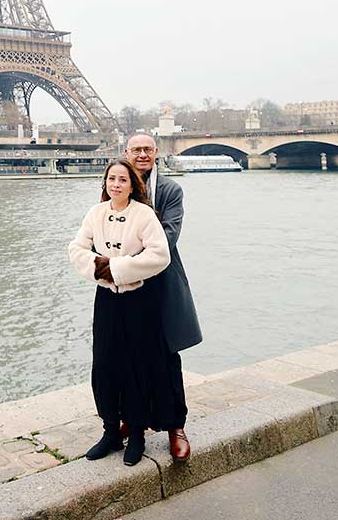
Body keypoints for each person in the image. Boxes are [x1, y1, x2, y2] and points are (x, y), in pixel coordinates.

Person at [68, 158, 173, 466]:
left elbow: (160, 255)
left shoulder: (144, 215)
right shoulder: (95, 213)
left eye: (122, 180)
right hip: (106, 300)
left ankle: (137, 433)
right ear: (105, 183)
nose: (116, 184)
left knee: (136, 366)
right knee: (104, 364)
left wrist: (118, 268)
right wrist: (100, 270)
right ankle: (111, 429)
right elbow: (75, 249)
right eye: (111, 179)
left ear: (132, 185)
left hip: (137, 301)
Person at [124, 133, 203, 462]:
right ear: (126, 153)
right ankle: (135, 419)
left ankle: (175, 426)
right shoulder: (118, 184)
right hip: (127, 282)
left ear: (156, 153)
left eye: (147, 149)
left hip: (160, 280)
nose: (142, 154)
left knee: (167, 355)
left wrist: (129, 257)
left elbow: (168, 236)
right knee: (130, 355)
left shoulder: (170, 189)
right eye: (136, 150)